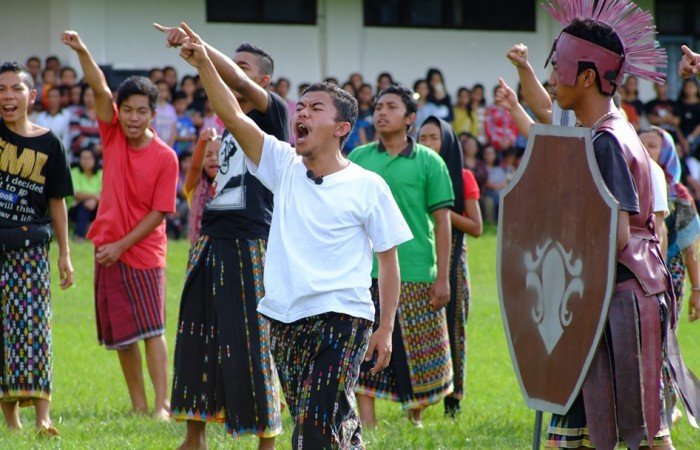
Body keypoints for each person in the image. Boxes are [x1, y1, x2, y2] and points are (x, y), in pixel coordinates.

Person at [174, 21, 410, 449]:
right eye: (300, 106)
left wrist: (386, 326)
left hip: (344, 318)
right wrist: (203, 60)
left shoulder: (368, 185)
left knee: (314, 427)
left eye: (315, 108)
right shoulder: (282, 164)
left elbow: (388, 259)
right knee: (322, 414)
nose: (301, 112)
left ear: (342, 128)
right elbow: (230, 113)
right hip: (283, 319)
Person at [538, 0, 674, 448]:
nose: (552, 76)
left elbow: (612, 235)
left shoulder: (606, 140)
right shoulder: (619, 129)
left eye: (558, 65)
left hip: (621, 298)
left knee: (636, 436)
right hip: (631, 288)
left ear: (588, 76)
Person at [155, 22, 291, 449]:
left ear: (263, 80)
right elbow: (223, 88)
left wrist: (200, 48)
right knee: (197, 338)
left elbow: (231, 78)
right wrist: (196, 56)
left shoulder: (274, 114)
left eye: (245, 66)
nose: (232, 68)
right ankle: (194, 437)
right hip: (211, 239)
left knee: (251, 343)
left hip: (252, 243)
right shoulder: (230, 123)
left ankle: (266, 440)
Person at [62, 30, 179, 420]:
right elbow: (98, 86)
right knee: (123, 335)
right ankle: (139, 405)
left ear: (153, 113)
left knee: (152, 330)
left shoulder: (165, 157)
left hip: (143, 252)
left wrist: (122, 245)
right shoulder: (110, 133)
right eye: (126, 109)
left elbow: (159, 213)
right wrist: (82, 50)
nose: (132, 117)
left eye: (141, 111)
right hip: (106, 247)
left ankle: (162, 405)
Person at [350, 85, 454, 427]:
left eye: (391, 107)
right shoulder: (360, 158)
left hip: (415, 269)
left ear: (410, 118)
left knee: (420, 351)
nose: (381, 112)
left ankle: (416, 417)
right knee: (364, 343)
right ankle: (368, 423)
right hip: (366, 272)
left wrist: (443, 277)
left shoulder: (430, 161)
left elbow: (442, 223)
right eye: (378, 106)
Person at [0, 61, 74, 436]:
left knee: (34, 328)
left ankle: (43, 416)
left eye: (15, 88)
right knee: (2, 332)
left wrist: (65, 254)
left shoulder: (49, 143)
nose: (8, 96)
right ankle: (11, 420)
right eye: (1, 89)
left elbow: (58, 201)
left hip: (31, 246)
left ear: (31, 96)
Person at [418, 116, 483, 417]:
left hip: (454, 260)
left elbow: (476, 226)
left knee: (453, 328)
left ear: (447, 142)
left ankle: (453, 399)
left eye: (434, 137)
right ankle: (418, 398)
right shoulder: (414, 173)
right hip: (417, 260)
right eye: (423, 137)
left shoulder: (463, 176)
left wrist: (438, 208)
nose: (428, 143)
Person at [639, 127, 700, 322]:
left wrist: (697, 290)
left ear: (665, 151)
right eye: (642, 144)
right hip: (634, 269)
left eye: (653, 146)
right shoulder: (629, 183)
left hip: (670, 273)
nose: (646, 150)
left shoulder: (679, 195)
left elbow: (690, 247)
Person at [183, 128, 219, 246]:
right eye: (208, 155)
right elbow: (195, 167)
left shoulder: (235, 187)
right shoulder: (194, 186)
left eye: (219, 154)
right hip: (199, 258)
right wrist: (202, 141)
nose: (214, 158)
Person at [68, 147, 102, 239]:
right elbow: (76, 194)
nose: (86, 161)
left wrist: (94, 201)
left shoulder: (101, 173)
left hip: (98, 207)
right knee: (85, 207)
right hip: (76, 208)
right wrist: (94, 197)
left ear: (95, 159)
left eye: (89, 158)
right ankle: (79, 236)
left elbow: (105, 195)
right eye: (83, 158)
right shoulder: (74, 172)